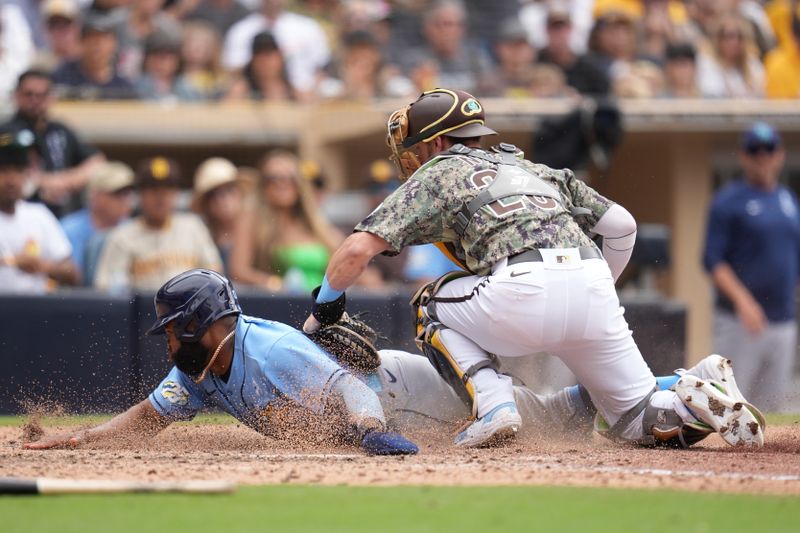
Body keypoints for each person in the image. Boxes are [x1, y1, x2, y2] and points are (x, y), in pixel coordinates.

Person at [303, 87, 765, 449]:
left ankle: (495, 406)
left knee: (431, 303)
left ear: (440, 141)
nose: (412, 156)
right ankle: (697, 386)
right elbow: (622, 225)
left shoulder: (438, 170)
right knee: (640, 420)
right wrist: (596, 289)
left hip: (521, 290)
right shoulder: (534, 168)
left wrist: (322, 311)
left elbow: (354, 251)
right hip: (591, 284)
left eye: (416, 146)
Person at [24, 269, 418, 456]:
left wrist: (369, 430)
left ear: (200, 324)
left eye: (174, 330)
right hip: (382, 411)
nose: (169, 343)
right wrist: (81, 439)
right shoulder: (200, 370)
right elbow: (146, 419)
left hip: (403, 395)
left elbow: (352, 388)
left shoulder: (271, 349)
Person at [702, 122, 799, 412]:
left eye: (769, 150)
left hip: (782, 319)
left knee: (771, 408)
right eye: (755, 150)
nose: (763, 157)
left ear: (779, 155)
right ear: (744, 156)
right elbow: (712, 259)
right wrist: (744, 302)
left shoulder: (788, 201)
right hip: (739, 320)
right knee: (731, 403)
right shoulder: (728, 200)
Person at [94, 157, 223, 292]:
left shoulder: (193, 227)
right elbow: (109, 291)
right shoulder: (122, 236)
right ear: (141, 194)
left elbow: (215, 277)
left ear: (177, 193)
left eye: (168, 189)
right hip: (143, 310)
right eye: (153, 189)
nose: (161, 197)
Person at [229, 149, 340, 293]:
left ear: (300, 184)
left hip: (323, 305)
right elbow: (239, 271)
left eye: (290, 178)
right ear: (263, 186)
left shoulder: (314, 223)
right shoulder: (251, 219)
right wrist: (274, 284)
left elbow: (343, 261)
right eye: (273, 178)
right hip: (279, 304)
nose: (282, 184)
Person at [3, 69, 105, 218]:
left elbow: (96, 160)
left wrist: (64, 181)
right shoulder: (6, 131)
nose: (35, 100)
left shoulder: (60, 130)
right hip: (20, 212)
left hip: (64, 212)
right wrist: (40, 182)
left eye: (41, 95)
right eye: (29, 94)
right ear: (16, 96)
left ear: (51, 98)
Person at [0, 125, 79, 293]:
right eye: (4, 171)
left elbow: (73, 273)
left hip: (35, 310)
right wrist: (11, 261)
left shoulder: (38, 215)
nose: (11, 180)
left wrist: (44, 266)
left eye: (19, 171)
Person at [60, 160, 135, 285]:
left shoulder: (134, 229)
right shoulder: (68, 229)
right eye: (117, 194)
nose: (125, 200)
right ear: (95, 196)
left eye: (127, 194)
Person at [51, 13, 138, 101]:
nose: (97, 46)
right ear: (81, 43)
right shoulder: (62, 77)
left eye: (103, 40)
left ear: (114, 44)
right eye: (91, 39)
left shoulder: (124, 88)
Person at [192, 157, 244, 274]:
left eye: (229, 190)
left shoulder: (258, 231)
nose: (222, 199)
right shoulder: (198, 235)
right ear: (206, 203)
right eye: (213, 194)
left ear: (240, 193)